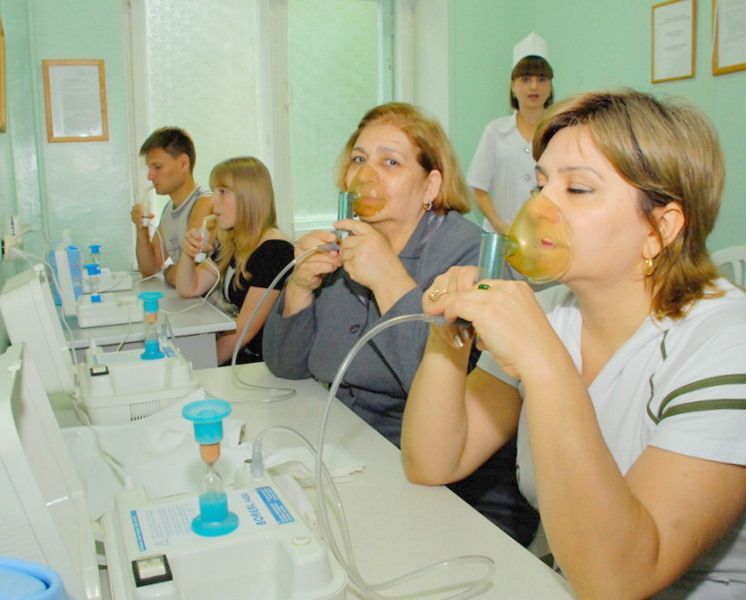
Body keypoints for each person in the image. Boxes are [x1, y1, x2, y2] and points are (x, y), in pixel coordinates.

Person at [402, 90, 746, 598]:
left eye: (578, 189)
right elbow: (433, 462)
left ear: (660, 228)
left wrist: (545, 366)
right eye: (540, 184)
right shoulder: (554, 314)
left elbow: (619, 579)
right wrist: (449, 333)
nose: (538, 207)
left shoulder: (729, 347)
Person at [262, 102, 539, 546]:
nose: (367, 173)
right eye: (359, 159)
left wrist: (389, 280)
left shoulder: (471, 259)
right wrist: (298, 287)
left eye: (390, 162)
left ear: (431, 185)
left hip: (452, 490)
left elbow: (448, 398)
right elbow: (286, 366)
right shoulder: (343, 246)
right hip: (346, 456)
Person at [176, 156, 293, 366]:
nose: (212, 201)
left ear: (249, 198)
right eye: (214, 191)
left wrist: (195, 369)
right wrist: (187, 253)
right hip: (242, 356)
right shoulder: (232, 243)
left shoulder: (275, 251)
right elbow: (188, 288)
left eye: (222, 192)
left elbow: (242, 333)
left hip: (263, 365)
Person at [467, 31, 554, 235]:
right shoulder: (495, 131)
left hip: (545, 236)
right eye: (525, 79)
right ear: (513, 86)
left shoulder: (559, 133)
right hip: (501, 236)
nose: (534, 86)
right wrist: (500, 226)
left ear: (550, 86)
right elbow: (478, 188)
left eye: (541, 79)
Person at [131, 127, 213, 286]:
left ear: (183, 163)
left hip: (208, 301)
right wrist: (141, 227)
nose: (150, 176)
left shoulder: (204, 203)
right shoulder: (170, 209)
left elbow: (189, 274)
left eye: (157, 167)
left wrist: (167, 271)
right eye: (149, 168)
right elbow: (149, 269)